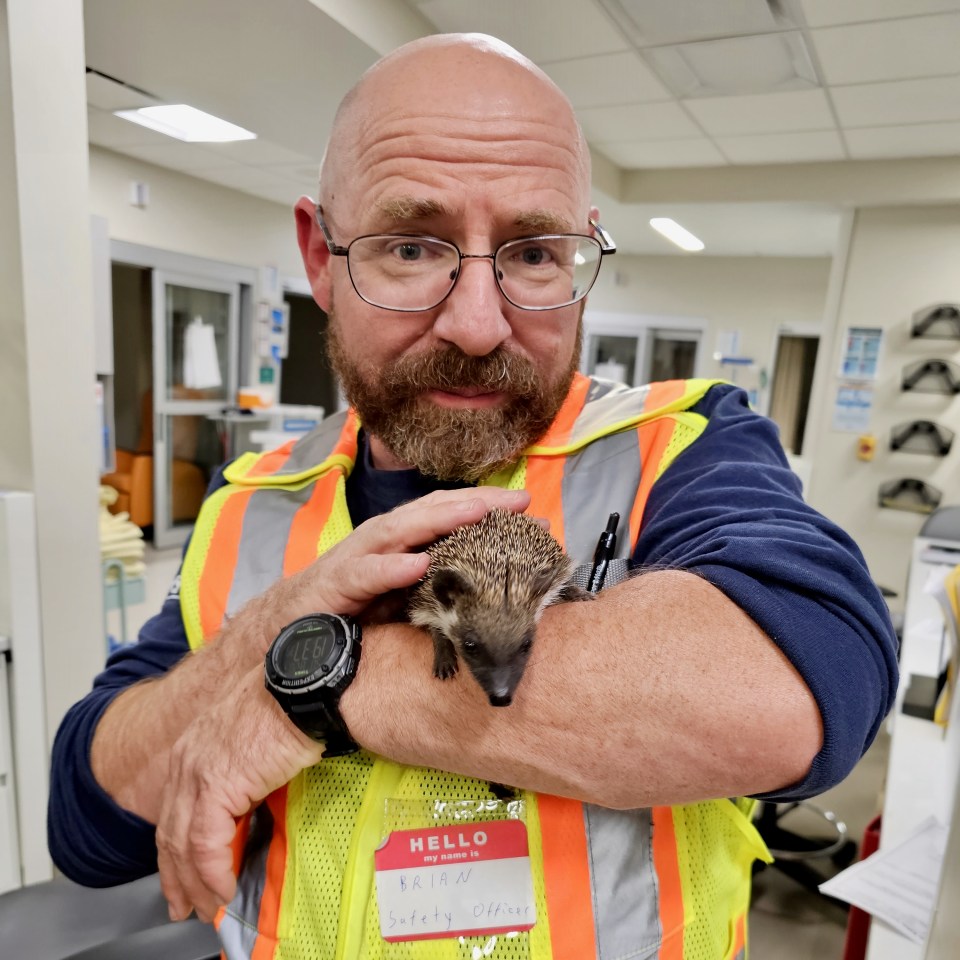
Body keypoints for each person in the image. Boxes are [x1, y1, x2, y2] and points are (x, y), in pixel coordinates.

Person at [49, 32, 898, 960]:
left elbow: (808, 683)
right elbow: (90, 818)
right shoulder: (254, 498)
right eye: (412, 247)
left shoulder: (682, 446)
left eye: (534, 254)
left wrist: (307, 688)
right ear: (319, 258)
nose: (479, 323)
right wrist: (259, 641)